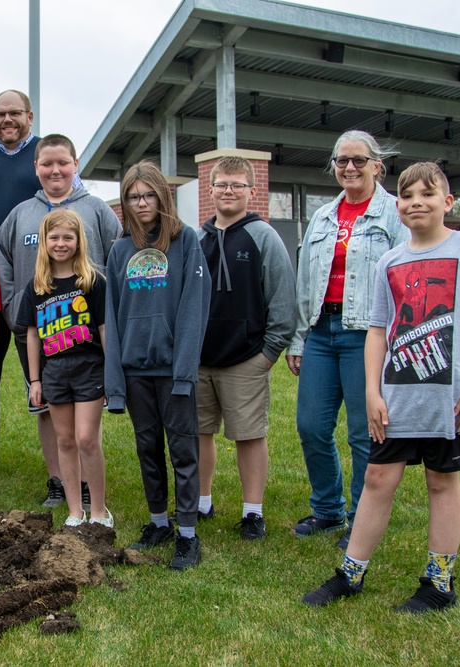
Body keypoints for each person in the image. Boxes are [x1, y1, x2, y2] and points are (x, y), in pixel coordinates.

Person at [302, 162, 460, 612]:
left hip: (447, 400)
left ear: (447, 202)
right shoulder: (390, 260)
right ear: (398, 204)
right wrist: (373, 392)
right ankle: (350, 574)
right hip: (398, 397)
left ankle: (439, 583)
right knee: (376, 479)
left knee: (441, 483)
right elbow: (378, 330)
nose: (416, 203)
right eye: (408, 196)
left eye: (427, 195)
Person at [0, 90, 84, 482]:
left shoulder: (49, 157)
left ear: (30, 116)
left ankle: (64, 469)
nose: (7, 120)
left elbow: (77, 203)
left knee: (50, 377)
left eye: (15, 113)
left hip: (39, 290)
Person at [286, 130, 411, 550]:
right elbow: (306, 280)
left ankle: (361, 518)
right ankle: (327, 508)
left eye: (359, 160)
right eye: (342, 160)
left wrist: (398, 340)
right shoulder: (323, 216)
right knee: (311, 426)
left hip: (368, 335)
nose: (349, 168)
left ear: (378, 165)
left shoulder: (395, 214)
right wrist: (300, 338)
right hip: (322, 331)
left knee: (364, 432)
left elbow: (407, 278)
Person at [0, 133, 120, 508]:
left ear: (75, 165)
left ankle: (86, 486)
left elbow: (119, 258)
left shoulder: (97, 210)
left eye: (62, 163)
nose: (54, 170)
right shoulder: (21, 214)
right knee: (46, 403)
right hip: (38, 331)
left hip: (88, 339)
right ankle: (58, 480)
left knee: (83, 417)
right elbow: (3, 262)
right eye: (46, 163)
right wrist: (13, 309)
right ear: (36, 167)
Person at [105, 161, 211, 571]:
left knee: (183, 451)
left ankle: (187, 534)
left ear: (163, 197)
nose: (141, 203)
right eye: (133, 197)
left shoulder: (186, 243)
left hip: (173, 371)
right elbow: (111, 319)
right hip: (135, 372)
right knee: (147, 449)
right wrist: (115, 382)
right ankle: (158, 522)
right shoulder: (119, 251)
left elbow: (193, 310)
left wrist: (184, 371)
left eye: (149, 195)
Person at [196, 156, 296, 541]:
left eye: (237, 185)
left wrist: (268, 353)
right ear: (211, 189)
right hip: (201, 358)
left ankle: (252, 512)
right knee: (198, 432)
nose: (228, 191)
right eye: (222, 184)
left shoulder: (263, 236)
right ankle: (201, 501)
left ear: (252, 192)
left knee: (249, 434)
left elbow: (282, 297)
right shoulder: (197, 238)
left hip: (246, 358)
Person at [18, 209, 110, 527]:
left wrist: (112, 375)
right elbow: (31, 335)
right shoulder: (36, 287)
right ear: (44, 242)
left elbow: (103, 329)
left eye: (67, 237)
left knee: (86, 439)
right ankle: (75, 511)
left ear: (78, 241)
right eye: (54, 237)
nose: (60, 243)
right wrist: (34, 380)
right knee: (65, 441)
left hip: (90, 369)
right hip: (54, 372)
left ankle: (98, 510)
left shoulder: (93, 283)